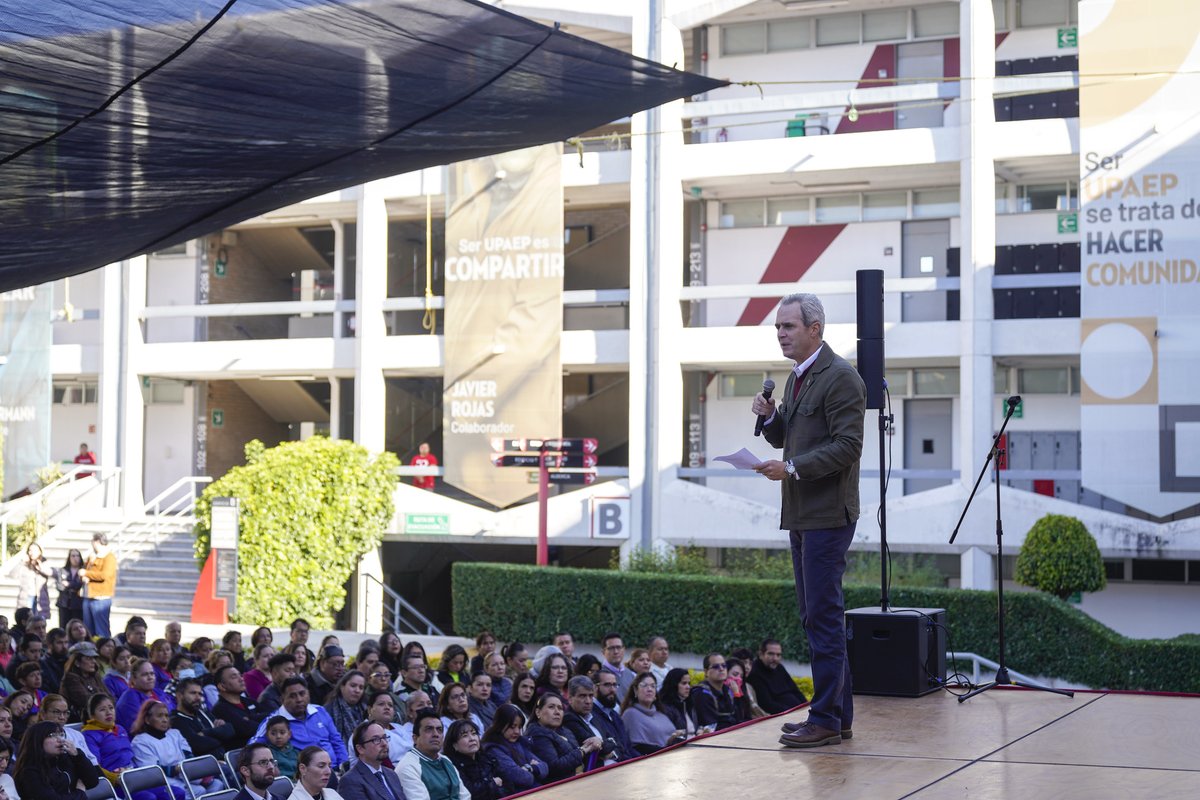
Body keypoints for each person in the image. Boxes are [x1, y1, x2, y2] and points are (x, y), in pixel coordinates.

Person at [751, 292, 865, 749]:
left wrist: (793, 469)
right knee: (816, 616)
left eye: (788, 326)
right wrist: (771, 416)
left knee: (822, 617)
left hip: (825, 515)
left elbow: (848, 446)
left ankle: (824, 720)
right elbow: (788, 441)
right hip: (800, 513)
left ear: (815, 328)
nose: (780, 334)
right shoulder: (798, 378)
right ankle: (838, 717)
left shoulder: (840, 378)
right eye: (778, 327)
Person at [252, 677, 347, 767]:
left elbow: (337, 741)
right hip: (303, 775)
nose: (299, 699)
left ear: (308, 694)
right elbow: (252, 748)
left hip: (335, 769)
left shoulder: (319, 710)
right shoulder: (274, 721)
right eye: (292, 696)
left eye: (302, 694)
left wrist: (344, 765)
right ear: (282, 700)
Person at [131, 700, 212, 798]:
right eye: (160, 716)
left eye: (166, 716)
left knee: (216, 784)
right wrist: (175, 770)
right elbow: (152, 771)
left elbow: (188, 754)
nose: (165, 720)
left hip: (186, 775)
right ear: (147, 720)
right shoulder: (140, 741)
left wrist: (194, 771)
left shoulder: (175, 733)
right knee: (199, 791)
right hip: (164, 781)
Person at [13, 720, 100, 799]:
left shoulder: (66, 759)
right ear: (38, 740)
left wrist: (77, 755)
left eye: (61, 734)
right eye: (52, 735)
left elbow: (92, 782)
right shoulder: (29, 771)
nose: (60, 740)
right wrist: (80, 793)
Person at [396, 710, 471, 800]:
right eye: (429, 729)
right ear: (415, 738)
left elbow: (465, 796)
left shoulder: (445, 760)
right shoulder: (408, 767)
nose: (436, 734)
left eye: (439, 730)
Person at [525, 692, 596, 782]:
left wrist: (594, 742)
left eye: (560, 708)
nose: (557, 712)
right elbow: (554, 767)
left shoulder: (565, 731)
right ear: (538, 712)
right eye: (551, 707)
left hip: (579, 779)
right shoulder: (537, 735)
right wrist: (582, 751)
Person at [560, 675, 627, 768]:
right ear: (570, 698)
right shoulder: (569, 719)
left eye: (591, 696)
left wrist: (612, 753)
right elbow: (597, 748)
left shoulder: (595, 716)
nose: (588, 701)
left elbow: (618, 744)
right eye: (582, 696)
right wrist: (607, 744)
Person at [481, 704, 546, 794]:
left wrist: (530, 768)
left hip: (535, 790)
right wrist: (534, 770)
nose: (517, 731)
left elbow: (545, 767)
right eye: (512, 727)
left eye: (519, 727)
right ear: (500, 725)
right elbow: (522, 778)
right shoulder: (493, 749)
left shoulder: (520, 742)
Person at [337, 720, 408, 800]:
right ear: (360, 749)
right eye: (376, 740)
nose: (384, 743)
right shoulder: (350, 781)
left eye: (384, 737)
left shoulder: (392, 774)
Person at [171, 677, 236, 760]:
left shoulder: (203, 713)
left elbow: (230, 730)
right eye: (193, 693)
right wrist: (221, 736)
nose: (198, 698)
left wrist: (205, 733)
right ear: (179, 695)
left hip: (225, 760)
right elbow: (198, 745)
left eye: (200, 694)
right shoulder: (176, 720)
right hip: (206, 767)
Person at [620, 672, 683, 754]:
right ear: (635, 690)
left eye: (653, 686)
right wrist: (668, 745)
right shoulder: (630, 714)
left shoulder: (661, 714)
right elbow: (637, 747)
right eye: (644, 685)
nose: (649, 689)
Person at [444, 718, 504, 800]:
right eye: (465, 736)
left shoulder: (487, 758)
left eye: (474, 733)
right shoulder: (453, 766)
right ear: (454, 745)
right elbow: (470, 792)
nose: (472, 738)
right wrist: (493, 783)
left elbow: (506, 782)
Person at [35, 693, 100, 768]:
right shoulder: (35, 736)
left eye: (66, 713)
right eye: (57, 712)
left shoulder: (76, 735)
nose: (62, 717)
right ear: (43, 714)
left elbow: (93, 763)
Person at [746, 638, 806, 715]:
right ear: (761, 654)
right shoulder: (754, 673)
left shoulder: (779, 667)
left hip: (797, 711)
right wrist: (793, 712)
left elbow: (795, 690)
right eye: (771, 654)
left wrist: (807, 706)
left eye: (778, 655)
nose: (775, 658)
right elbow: (767, 704)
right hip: (785, 715)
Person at [212, 664, 268, 745]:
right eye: (234, 677)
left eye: (240, 675)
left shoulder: (250, 701)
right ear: (222, 686)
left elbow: (271, 717)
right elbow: (247, 729)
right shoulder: (220, 709)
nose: (241, 679)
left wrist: (250, 718)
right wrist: (261, 721)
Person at [60, 641, 110, 721]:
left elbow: (109, 697)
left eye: (94, 658)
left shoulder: (95, 676)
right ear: (77, 662)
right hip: (81, 721)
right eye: (88, 658)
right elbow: (87, 702)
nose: (93, 661)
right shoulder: (71, 679)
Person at [590, 668, 634, 760]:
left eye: (614, 685)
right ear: (595, 687)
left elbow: (628, 747)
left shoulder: (614, 715)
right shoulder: (591, 715)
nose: (612, 689)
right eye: (607, 685)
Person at [116, 658, 170, 732]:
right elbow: (137, 727)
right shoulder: (128, 699)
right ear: (134, 679)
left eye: (152, 674)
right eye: (145, 674)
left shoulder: (159, 693)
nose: (150, 677)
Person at [81, 533, 117, 639]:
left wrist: (86, 574)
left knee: (101, 630)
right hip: (89, 594)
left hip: (101, 597)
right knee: (88, 630)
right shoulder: (93, 556)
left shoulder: (109, 557)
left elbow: (105, 575)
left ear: (96, 542)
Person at [691, 653, 739, 732]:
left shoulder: (727, 690)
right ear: (706, 672)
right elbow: (710, 726)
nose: (721, 669)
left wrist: (737, 695)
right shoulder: (701, 693)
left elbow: (737, 717)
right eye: (715, 666)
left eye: (724, 665)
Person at [324, 669, 367, 744]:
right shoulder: (328, 710)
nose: (357, 690)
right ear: (342, 686)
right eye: (353, 686)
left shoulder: (365, 710)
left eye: (361, 687)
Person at [15, 543, 54, 619]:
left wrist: (41, 568)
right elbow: (13, 574)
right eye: (30, 550)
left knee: (40, 619)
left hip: (40, 597)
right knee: (27, 618)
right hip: (27, 595)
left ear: (40, 552)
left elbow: (52, 574)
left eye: (34, 550)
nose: (31, 552)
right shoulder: (24, 564)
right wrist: (21, 562)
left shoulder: (44, 562)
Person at [659, 667, 696, 739]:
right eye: (684, 683)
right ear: (674, 685)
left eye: (689, 683)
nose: (688, 687)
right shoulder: (666, 708)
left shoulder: (689, 704)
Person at [264, 715, 301, 780]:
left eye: (282, 732)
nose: (278, 736)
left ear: (289, 734)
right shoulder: (268, 753)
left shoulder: (296, 752)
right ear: (267, 735)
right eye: (273, 733)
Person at [54, 549, 86, 628]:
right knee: (63, 626)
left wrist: (69, 584)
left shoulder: (83, 570)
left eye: (77, 556)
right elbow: (59, 586)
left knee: (77, 625)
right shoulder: (63, 570)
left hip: (78, 603)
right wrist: (73, 585)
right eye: (73, 556)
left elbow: (80, 585)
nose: (75, 558)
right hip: (64, 603)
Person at [599, 633, 634, 698]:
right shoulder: (599, 675)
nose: (616, 652)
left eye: (619, 647)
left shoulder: (629, 673)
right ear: (603, 652)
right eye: (611, 648)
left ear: (624, 649)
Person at [37, 627, 69, 694]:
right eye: (59, 643)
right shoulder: (42, 664)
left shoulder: (70, 661)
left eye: (66, 642)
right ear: (49, 644)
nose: (64, 646)